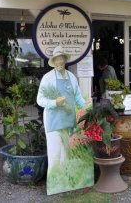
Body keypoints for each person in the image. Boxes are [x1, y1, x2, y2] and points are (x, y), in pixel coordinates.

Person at [36, 46, 89, 195]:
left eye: (61, 59)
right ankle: (54, 186)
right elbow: (40, 99)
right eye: (57, 59)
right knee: (54, 153)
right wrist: (54, 103)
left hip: (69, 119)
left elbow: (78, 96)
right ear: (54, 62)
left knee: (67, 152)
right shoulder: (48, 78)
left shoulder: (72, 77)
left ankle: (65, 183)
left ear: (65, 60)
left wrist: (85, 108)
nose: (59, 62)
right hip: (54, 120)